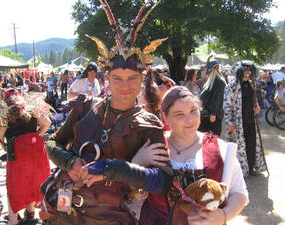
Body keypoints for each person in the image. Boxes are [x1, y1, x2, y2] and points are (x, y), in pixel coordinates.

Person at [43, 1, 169, 224]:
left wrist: (113, 169)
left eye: (132, 78)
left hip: (110, 217)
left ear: (142, 80)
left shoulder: (149, 124)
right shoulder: (84, 107)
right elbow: (52, 143)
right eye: (117, 78)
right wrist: (69, 162)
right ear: (107, 79)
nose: (125, 86)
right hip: (65, 212)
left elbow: (162, 181)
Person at [83, 86, 248, 225]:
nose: (189, 119)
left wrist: (223, 215)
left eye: (193, 111)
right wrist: (138, 161)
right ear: (166, 118)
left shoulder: (220, 148)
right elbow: (128, 193)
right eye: (179, 114)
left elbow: (239, 193)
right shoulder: (152, 146)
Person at [0, 89, 51, 225]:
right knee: (33, 179)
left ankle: (13, 220)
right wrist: (36, 133)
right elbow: (47, 123)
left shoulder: (3, 109)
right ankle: (30, 213)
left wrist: (3, 142)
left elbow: (0, 131)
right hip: (36, 144)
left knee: (14, 183)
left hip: (17, 147)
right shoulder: (30, 105)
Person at [224, 62, 268, 177]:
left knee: (252, 144)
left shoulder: (251, 85)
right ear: (240, 71)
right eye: (246, 70)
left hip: (251, 122)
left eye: (250, 70)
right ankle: (240, 170)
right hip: (238, 123)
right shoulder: (231, 86)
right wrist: (229, 122)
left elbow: (254, 102)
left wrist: (257, 108)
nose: (248, 73)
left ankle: (252, 167)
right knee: (239, 147)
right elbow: (227, 106)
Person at [199, 60, 226, 136]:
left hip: (213, 115)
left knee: (213, 139)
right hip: (206, 113)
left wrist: (213, 113)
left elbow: (217, 99)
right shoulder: (211, 81)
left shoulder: (219, 82)